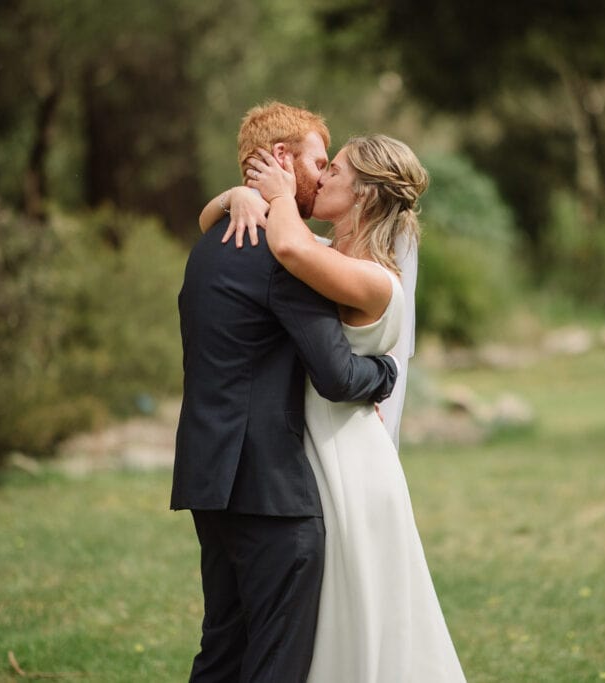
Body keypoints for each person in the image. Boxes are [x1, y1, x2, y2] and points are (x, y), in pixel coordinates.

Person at [199, 134, 466, 682]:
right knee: (319, 627)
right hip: (309, 456)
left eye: (335, 171)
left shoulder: (373, 278)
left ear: (365, 195)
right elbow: (213, 228)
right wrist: (237, 198)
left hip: (350, 464)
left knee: (357, 620)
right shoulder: (324, 254)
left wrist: (273, 197)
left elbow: (290, 250)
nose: (321, 178)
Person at [172, 101, 399, 683]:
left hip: (209, 482)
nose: (323, 176)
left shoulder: (210, 247)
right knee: (277, 661)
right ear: (280, 159)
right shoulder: (282, 258)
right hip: (272, 494)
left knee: (221, 652)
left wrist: (233, 196)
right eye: (319, 162)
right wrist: (387, 375)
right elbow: (339, 376)